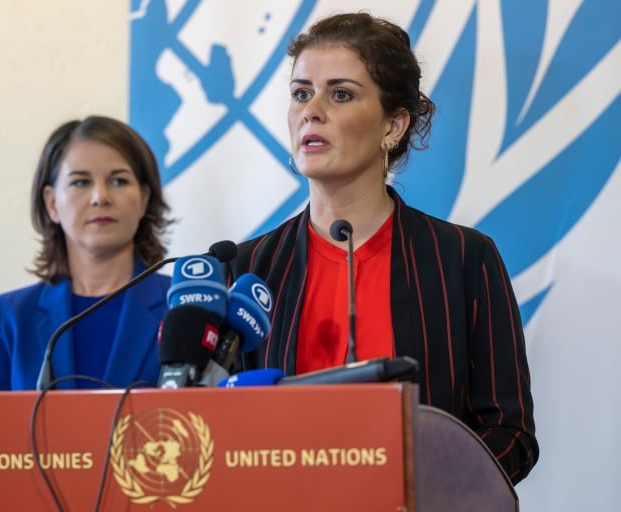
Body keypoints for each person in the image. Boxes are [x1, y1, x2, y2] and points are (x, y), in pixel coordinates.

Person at [227, 12, 538, 484]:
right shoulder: (249, 268)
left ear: (393, 125)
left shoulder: (462, 258)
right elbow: (221, 425)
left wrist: (423, 487)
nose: (312, 111)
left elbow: (510, 432)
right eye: (301, 93)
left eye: (341, 94)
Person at [0, 116, 173, 390]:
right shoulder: (11, 317)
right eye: (81, 182)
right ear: (52, 203)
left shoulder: (183, 308)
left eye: (119, 181)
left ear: (144, 199)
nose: (100, 197)